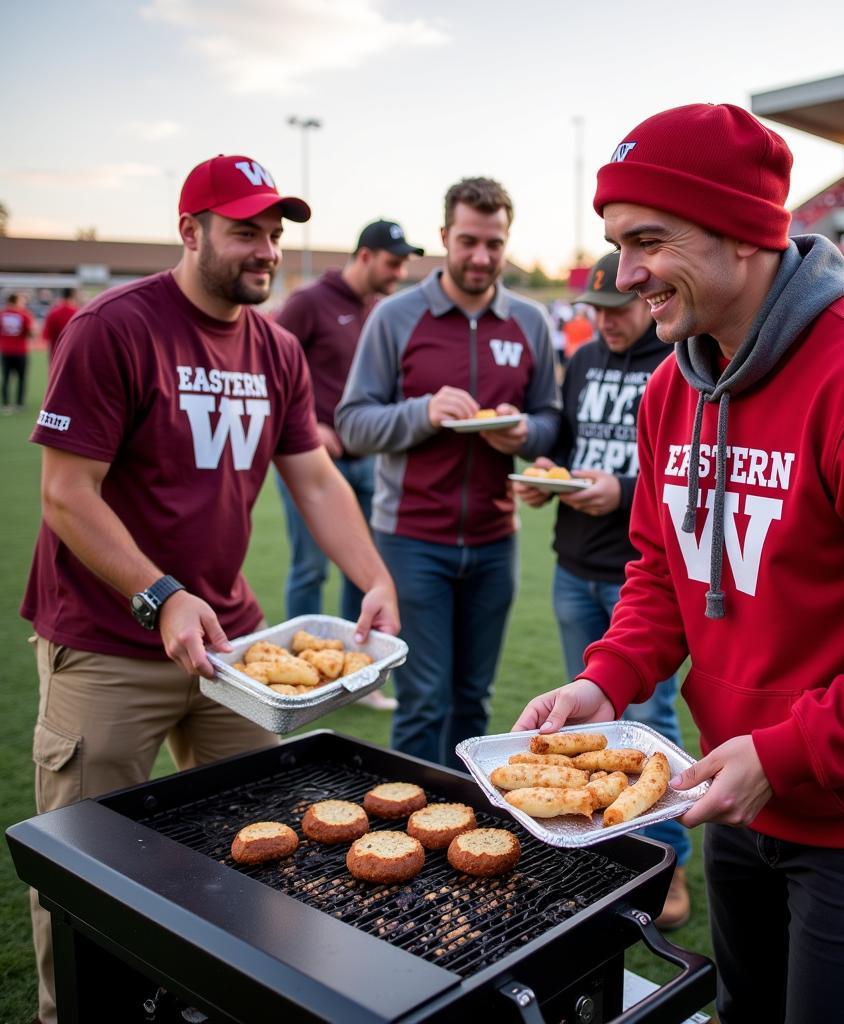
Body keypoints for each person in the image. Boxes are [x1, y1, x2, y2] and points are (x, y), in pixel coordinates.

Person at [513, 104, 844, 1024]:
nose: (626, 276)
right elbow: (662, 566)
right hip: (735, 791)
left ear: (743, 234)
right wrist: (610, 677)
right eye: (617, 244)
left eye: (648, 241)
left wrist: (793, 752)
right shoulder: (674, 386)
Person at [20, 153, 400, 1024]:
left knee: (263, 848)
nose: (265, 248)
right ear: (189, 232)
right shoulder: (113, 326)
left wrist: (372, 576)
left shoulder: (275, 347)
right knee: (86, 868)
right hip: (110, 642)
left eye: (274, 232)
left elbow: (314, 479)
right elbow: (65, 493)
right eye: (245, 231)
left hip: (235, 652)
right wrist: (159, 594)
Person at [338, 176, 560, 768]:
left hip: (495, 541)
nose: (482, 257)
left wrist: (523, 433)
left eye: (494, 243)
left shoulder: (530, 322)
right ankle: (406, 826)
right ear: (443, 237)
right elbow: (353, 423)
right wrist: (424, 412)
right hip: (411, 539)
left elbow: (550, 423)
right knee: (423, 700)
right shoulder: (395, 316)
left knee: (472, 700)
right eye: (468, 241)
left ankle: (467, 827)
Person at [513, 249, 692, 928]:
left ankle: (666, 864)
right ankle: (605, 841)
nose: (606, 323)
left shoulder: (678, 359)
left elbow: (685, 482)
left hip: (639, 574)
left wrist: (623, 491)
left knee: (654, 726)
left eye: (615, 310)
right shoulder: (585, 359)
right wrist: (548, 468)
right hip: (574, 559)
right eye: (595, 312)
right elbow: (571, 429)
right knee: (585, 726)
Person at [275, 219, 423, 711]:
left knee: (362, 571)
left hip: (367, 463)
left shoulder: (378, 310)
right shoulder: (308, 302)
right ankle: (301, 676)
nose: (400, 271)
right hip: (312, 463)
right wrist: (308, 425)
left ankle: (357, 677)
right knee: (309, 569)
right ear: (364, 256)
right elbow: (267, 366)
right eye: (393, 261)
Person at [1, 291, 35, 412]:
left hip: (5, 350)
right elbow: (31, 332)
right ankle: (19, 403)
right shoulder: (24, 314)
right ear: (15, 301)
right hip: (20, 350)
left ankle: (6, 404)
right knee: (21, 378)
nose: (23, 303)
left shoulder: (2, 314)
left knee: (6, 378)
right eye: (21, 300)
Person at [41, 287, 80, 359]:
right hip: (73, 354)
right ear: (73, 295)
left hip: (55, 354)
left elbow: (46, 335)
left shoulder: (53, 312)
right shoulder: (77, 313)